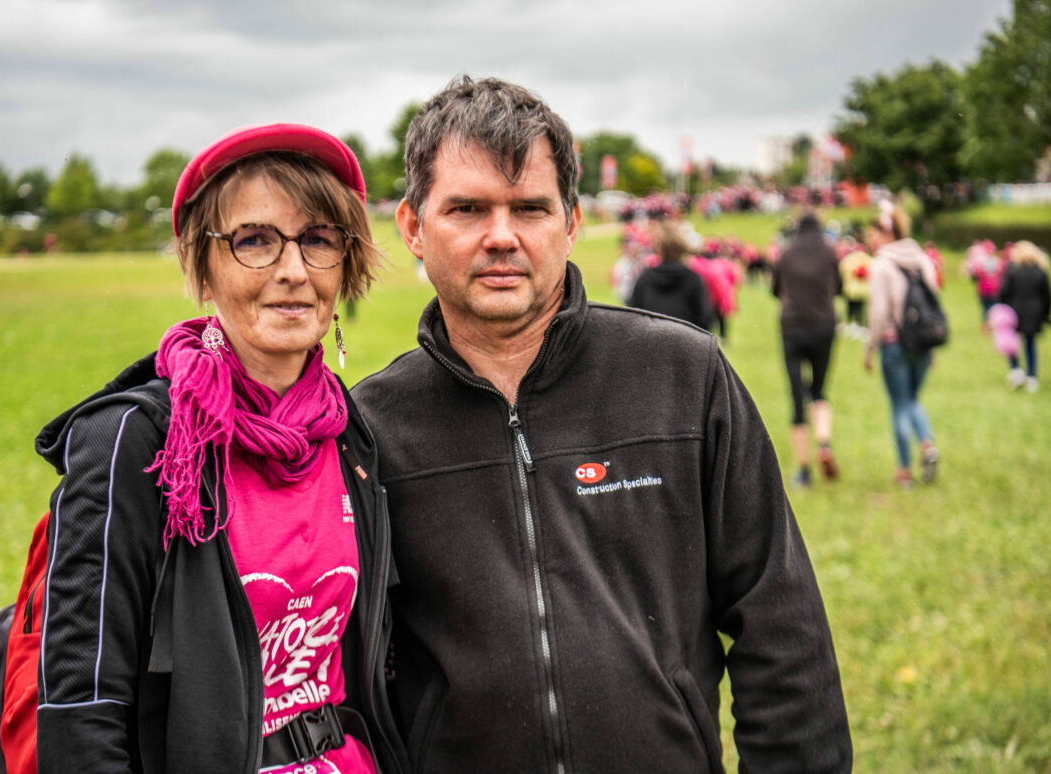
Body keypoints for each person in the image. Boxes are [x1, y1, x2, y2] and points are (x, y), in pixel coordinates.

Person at [351, 76, 851, 773]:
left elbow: (782, 627)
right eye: (467, 209)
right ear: (412, 226)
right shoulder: (369, 429)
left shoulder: (682, 376)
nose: (502, 236)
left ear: (571, 222)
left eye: (530, 208)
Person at [34, 125, 403, 773]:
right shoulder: (134, 440)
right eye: (254, 240)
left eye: (318, 239)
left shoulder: (348, 432)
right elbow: (81, 714)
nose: (293, 271)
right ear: (201, 268)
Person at [863, 211, 941, 488]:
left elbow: (879, 312)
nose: (870, 241)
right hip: (922, 342)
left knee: (900, 404)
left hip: (894, 343)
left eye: (872, 235)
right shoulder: (923, 259)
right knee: (912, 400)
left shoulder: (882, 264)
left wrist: (869, 348)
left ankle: (904, 472)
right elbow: (932, 304)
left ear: (887, 233)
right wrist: (931, 347)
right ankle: (927, 445)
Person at [771, 211, 843, 487]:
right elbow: (839, 287)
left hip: (792, 327)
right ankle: (823, 444)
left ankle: (803, 470)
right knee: (819, 390)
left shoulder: (786, 253)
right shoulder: (829, 252)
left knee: (796, 398)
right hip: (824, 326)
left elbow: (774, 289)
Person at [628, 222, 713, 329]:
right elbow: (704, 318)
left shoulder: (645, 278)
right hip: (684, 336)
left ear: (658, 247)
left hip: (653, 336)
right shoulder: (692, 279)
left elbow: (633, 315)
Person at [998, 240, 1051, 392]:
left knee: (1012, 344)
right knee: (1030, 344)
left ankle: (1016, 369)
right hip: (1034, 313)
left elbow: (1003, 293)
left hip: (1014, 312)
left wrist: (1005, 309)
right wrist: (1046, 314)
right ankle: (1031, 376)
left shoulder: (1012, 273)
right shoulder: (1040, 273)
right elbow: (1048, 296)